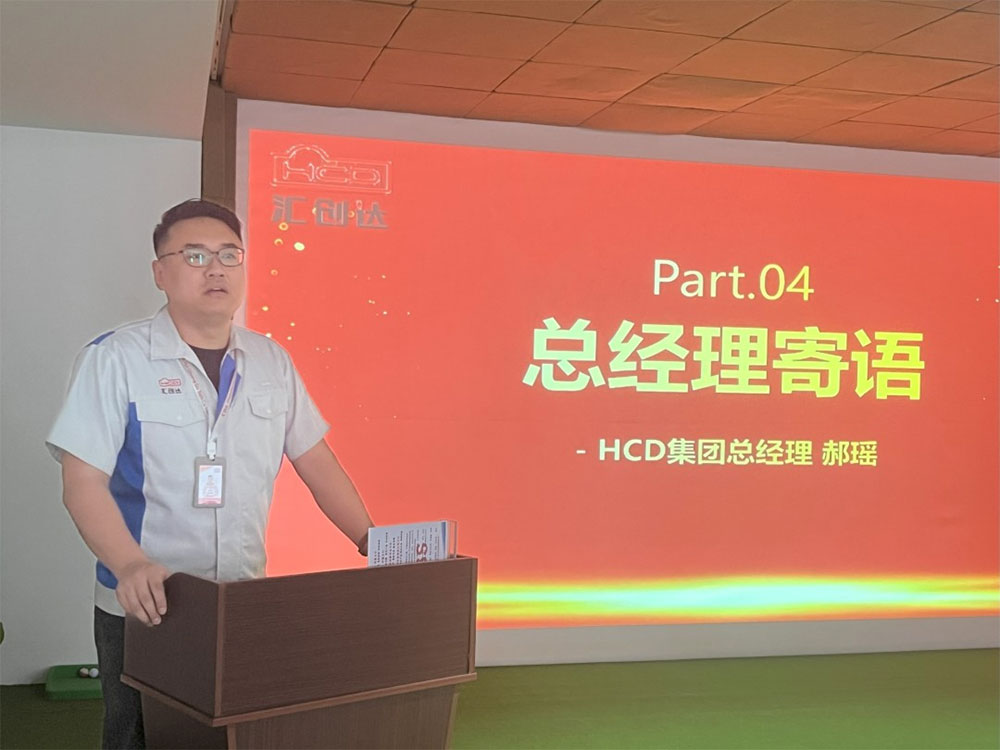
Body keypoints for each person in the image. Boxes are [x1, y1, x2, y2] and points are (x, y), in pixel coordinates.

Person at [46, 199, 374, 749]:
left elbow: (316, 461)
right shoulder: (115, 359)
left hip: (241, 596)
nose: (215, 269)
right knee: (138, 736)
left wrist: (371, 539)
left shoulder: (271, 360)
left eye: (229, 255)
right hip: (149, 601)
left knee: (232, 734)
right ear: (160, 272)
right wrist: (130, 565)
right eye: (195, 255)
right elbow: (82, 482)